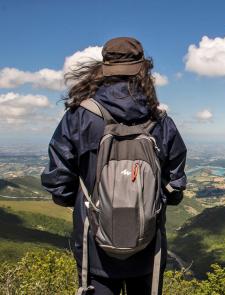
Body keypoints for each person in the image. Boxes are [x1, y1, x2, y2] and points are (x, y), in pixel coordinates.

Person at [41, 37, 187, 295]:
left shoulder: (79, 116)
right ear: (143, 70)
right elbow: (174, 189)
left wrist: (89, 203)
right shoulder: (160, 121)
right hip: (147, 250)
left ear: (104, 70)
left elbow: (59, 183)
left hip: (95, 250)